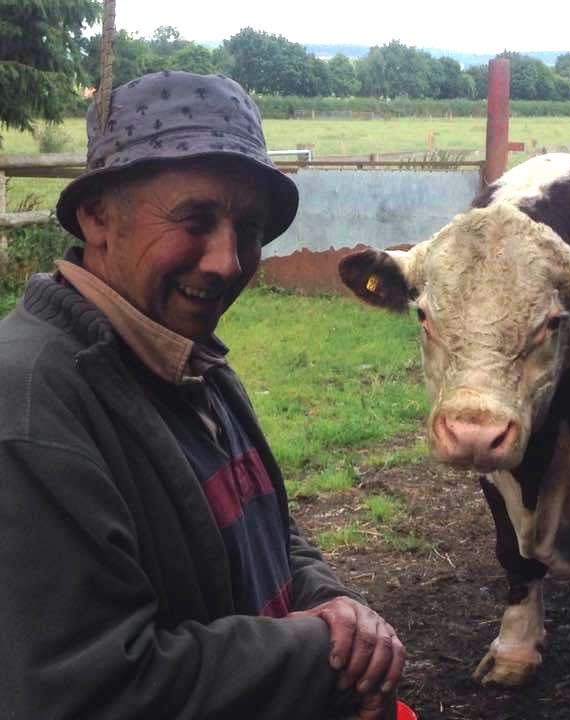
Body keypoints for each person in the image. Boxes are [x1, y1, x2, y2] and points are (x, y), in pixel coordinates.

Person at [0, 71, 405, 720]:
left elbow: (269, 527)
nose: (227, 260)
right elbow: (85, 695)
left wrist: (335, 607)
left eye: (248, 227)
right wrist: (319, 652)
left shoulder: (187, 358)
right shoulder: (28, 411)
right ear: (98, 217)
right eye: (196, 219)